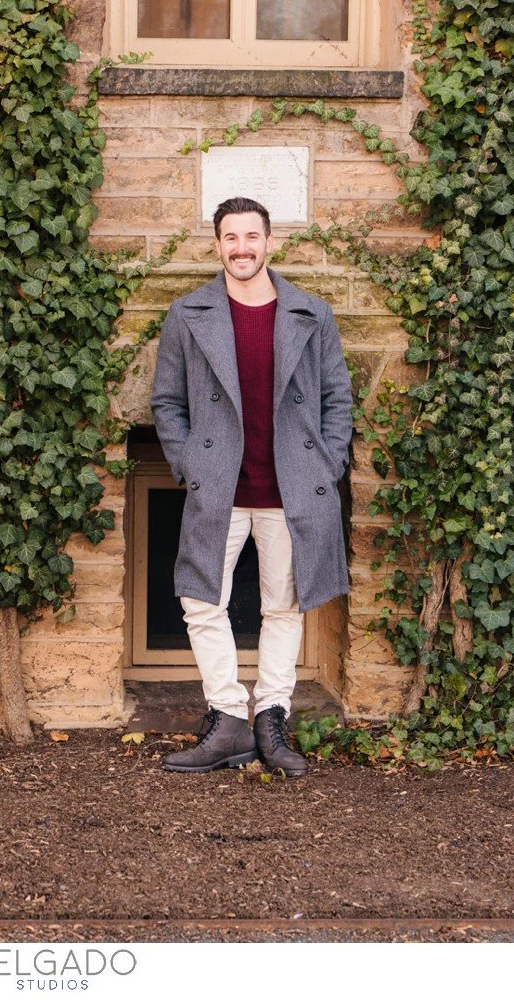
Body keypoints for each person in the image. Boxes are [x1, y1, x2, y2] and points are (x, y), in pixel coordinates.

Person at [150, 197, 352, 776]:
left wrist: (325, 464)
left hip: (291, 488)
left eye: (252, 237)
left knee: (284, 607)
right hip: (219, 486)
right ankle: (228, 716)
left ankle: (272, 716)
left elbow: (338, 399)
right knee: (201, 601)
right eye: (231, 238)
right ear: (217, 245)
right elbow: (167, 402)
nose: (242, 248)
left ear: (269, 242)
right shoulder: (189, 314)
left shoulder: (311, 314)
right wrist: (190, 464)